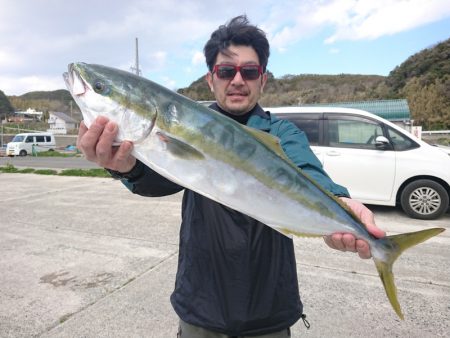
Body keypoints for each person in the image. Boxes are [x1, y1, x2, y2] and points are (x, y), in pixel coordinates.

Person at [77, 15, 385, 338]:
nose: (237, 80)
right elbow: (158, 177)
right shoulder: (186, 126)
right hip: (201, 308)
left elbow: (307, 172)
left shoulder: (281, 134)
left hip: (270, 313)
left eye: (249, 72)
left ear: (262, 80)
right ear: (211, 80)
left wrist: (339, 203)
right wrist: (124, 166)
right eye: (226, 71)